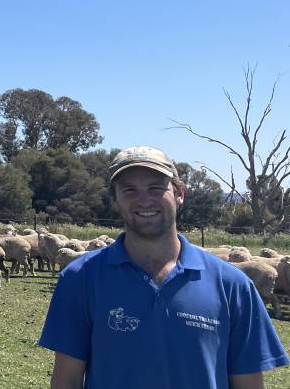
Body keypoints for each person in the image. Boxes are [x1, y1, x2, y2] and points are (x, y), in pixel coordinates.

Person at [38, 146, 289, 388]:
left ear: (180, 193)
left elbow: (248, 383)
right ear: (114, 199)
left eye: (156, 188)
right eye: (129, 190)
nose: (144, 200)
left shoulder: (232, 285)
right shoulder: (80, 277)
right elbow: (66, 380)